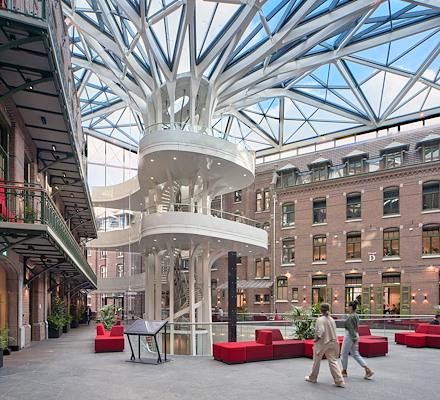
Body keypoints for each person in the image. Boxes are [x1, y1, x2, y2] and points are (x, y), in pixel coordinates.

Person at [305, 303, 345, 388]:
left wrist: (316, 339)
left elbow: (321, 331)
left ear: (320, 310)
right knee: (333, 361)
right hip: (333, 342)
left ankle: (313, 377)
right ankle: (339, 380)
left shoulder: (320, 320)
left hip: (323, 343)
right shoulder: (331, 319)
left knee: (316, 360)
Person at [340, 301, 374, 379]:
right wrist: (355, 340)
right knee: (355, 353)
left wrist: (355, 341)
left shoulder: (351, 317)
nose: (346, 307)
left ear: (351, 307)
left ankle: (344, 370)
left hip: (350, 336)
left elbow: (351, 329)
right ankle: (367, 369)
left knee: (343, 353)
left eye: (347, 306)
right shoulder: (355, 315)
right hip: (355, 335)